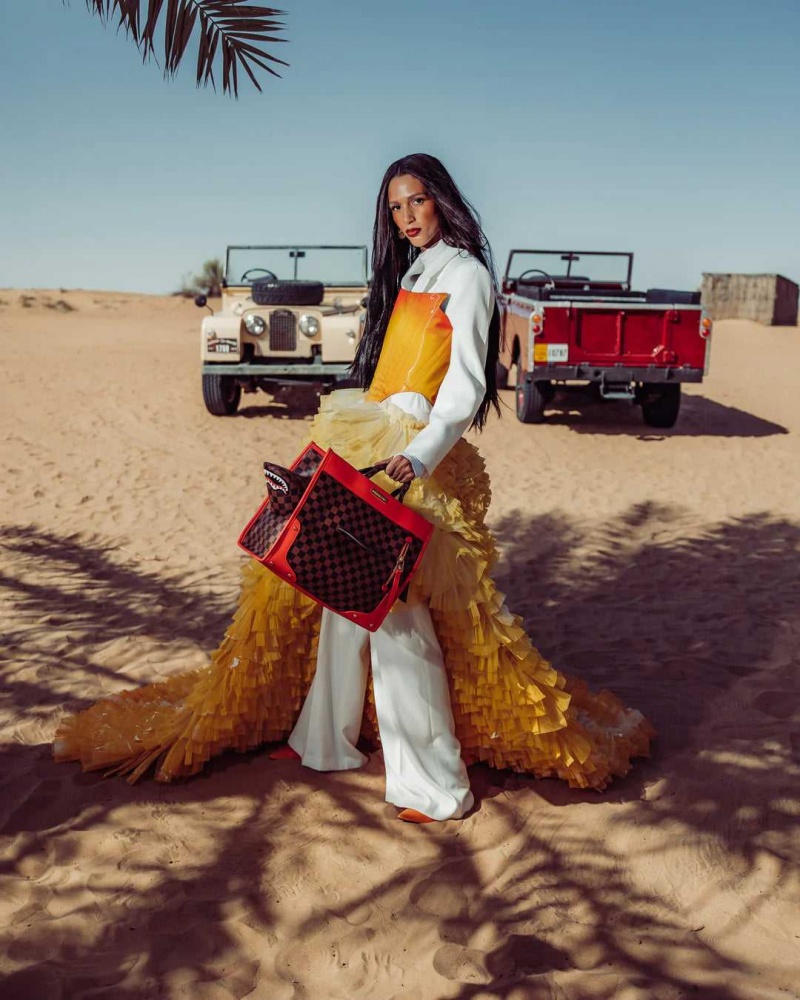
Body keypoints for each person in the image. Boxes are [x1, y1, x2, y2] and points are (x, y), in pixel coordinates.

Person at [54, 154, 654, 821]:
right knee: (342, 586)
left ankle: (434, 785)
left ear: (442, 200)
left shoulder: (469, 274)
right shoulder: (413, 272)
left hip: (413, 451)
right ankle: (324, 742)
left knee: (396, 608)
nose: (407, 218)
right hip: (372, 434)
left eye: (417, 202)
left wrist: (421, 456)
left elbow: (467, 384)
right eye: (395, 209)